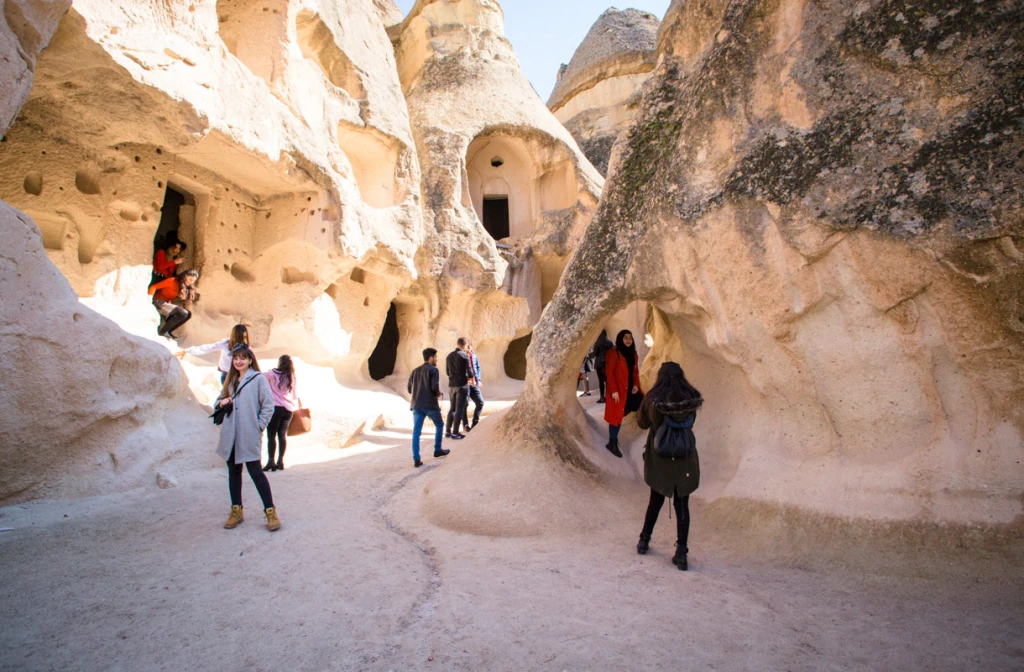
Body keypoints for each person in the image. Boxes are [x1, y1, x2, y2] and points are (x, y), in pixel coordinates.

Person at [635, 362, 703, 571]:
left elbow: (642, 423)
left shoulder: (654, 399)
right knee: (682, 505)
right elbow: (689, 423)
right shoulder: (690, 399)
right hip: (684, 457)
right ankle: (681, 553)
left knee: (655, 500)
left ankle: (644, 541)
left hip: (660, 457)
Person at [216, 346, 280, 531]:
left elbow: (268, 405)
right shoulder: (231, 379)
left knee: (256, 472)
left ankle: (270, 511)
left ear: (250, 360)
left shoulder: (258, 379)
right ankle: (236, 510)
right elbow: (219, 399)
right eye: (236, 358)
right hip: (231, 432)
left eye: (243, 358)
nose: (239, 361)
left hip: (248, 433)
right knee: (234, 472)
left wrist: (258, 426)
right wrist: (221, 403)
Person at [604, 329, 643, 458]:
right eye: (625, 337)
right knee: (616, 416)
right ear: (620, 339)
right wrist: (614, 391)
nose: (628, 340)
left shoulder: (633, 353)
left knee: (643, 402)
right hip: (618, 391)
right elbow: (609, 373)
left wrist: (636, 385)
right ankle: (612, 442)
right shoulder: (613, 353)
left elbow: (635, 372)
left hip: (630, 389)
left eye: (630, 338)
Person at [408, 348, 449, 467]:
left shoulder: (414, 371)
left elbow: (410, 389)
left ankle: (416, 459)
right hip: (430, 404)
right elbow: (434, 387)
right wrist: (438, 394)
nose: (436, 360)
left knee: (416, 431)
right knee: (440, 425)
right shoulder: (433, 370)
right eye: (435, 357)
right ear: (431, 357)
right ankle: (437, 449)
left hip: (416, 405)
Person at [263, 355, 299, 472]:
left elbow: (258, 377)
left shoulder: (272, 374)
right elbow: (294, 395)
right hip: (288, 409)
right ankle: (280, 461)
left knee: (271, 435)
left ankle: (271, 461)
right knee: (282, 435)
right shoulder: (292, 376)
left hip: (275, 407)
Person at [179, 324, 249, 384]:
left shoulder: (245, 345)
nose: (243, 340)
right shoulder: (226, 343)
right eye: (241, 337)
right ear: (235, 337)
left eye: (245, 337)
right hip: (227, 376)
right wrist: (188, 350)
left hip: (240, 375)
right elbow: (208, 348)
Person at [148, 269, 197, 339]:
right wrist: (149, 298)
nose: (191, 282)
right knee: (183, 313)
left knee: (188, 314)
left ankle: (168, 331)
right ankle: (162, 332)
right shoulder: (172, 281)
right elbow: (154, 286)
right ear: (185, 276)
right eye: (190, 279)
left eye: (193, 280)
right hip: (158, 301)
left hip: (166, 303)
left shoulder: (184, 286)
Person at [445, 337, 474, 439]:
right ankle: (455, 432)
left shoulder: (449, 356)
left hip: (451, 385)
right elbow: (470, 373)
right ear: (465, 345)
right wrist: (469, 378)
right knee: (459, 409)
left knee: (452, 409)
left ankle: (448, 431)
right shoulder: (465, 356)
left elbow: (447, 372)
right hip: (462, 385)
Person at [465, 341, 484, 431]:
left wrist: (478, 379)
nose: (468, 349)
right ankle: (465, 425)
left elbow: (478, 367)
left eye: (470, 347)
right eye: (467, 347)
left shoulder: (474, 355)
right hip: (465, 384)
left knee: (480, 402)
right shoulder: (462, 356)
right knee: (464, 404)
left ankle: (475, 423)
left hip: (474, 383)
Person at [593, 329, 613, 403]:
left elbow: (595, 353)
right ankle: (609, 396)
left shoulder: (597, 342)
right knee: (608, 380)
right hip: (608, 363)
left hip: (599, 364)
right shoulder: (609, 342)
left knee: (601, 381)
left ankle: (602, 397)